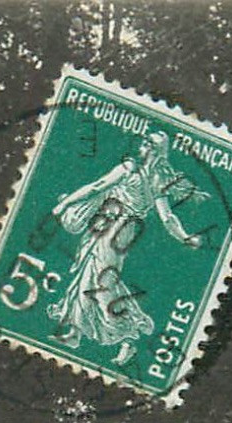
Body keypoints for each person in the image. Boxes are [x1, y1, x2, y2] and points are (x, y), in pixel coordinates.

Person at [46, 129, 207, 365]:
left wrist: (65, 204)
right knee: (90, 275)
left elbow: (96, 188)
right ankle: (74, 333)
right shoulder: (154, 179)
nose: (141, 144)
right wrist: (185, 237)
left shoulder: (132, 170)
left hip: (115, 229)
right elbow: (167, 217)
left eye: (147, 142)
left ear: (154, 150)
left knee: (102, 282)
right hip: (114, 227)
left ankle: (128, 336)